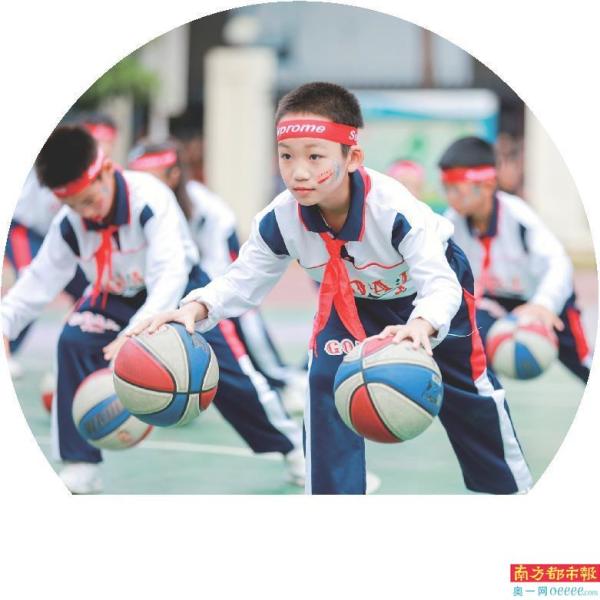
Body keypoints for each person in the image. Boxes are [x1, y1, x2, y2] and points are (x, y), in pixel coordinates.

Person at [130, 82, 533, 495]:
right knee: (325, 384)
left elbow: (440, 283)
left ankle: (511, 492)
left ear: (352, 157)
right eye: (286, 156)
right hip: (351, 299)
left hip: (426, 299)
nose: (298, 171)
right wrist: (196, 307)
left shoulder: (393, 209)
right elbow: (243, 279)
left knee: (470, 396)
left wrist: (421, 325)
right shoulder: (280, 219)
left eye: (315, 156)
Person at [2, 125, 304, 493]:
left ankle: (294, 449)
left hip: (180, 295)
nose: (85, 212)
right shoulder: (71, 223)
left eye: (90, 200)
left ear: (107, 171)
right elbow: (37, 281)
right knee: (73, 341)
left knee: (231, 378)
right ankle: (81, 464)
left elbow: (169, 272)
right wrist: (5, 325)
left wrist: (136, 331)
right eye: (74, 205)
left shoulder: (149, 197)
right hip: (113, 296)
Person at [126, 140, 308, 413]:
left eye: (151, 178)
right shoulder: (137, 207)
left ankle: (282, 381)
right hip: (169, 277)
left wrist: (201, 300)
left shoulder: (207, 209)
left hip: (213, 271)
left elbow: (223, 273)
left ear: (174, 175)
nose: (142, 186)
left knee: (242, 321)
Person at [439, 136, 591, 382]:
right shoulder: (451, 224)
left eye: (456, 188)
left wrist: (544, 304)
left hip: (542, 299)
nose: (450, 196)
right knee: (471, 352)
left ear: (488, 185)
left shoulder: (518, 216)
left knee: (584, 363)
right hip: (494, 300)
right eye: (446, 188)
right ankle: (490, 397)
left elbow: (558, 263)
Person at [4, 113, 118, 376]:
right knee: (31, 285)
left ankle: (94, 358)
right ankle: (8, 348)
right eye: (99, 139)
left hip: (63, 238)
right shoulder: (60, 159)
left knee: (90, 290)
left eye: (109, 141)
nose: (105, 145)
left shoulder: (103, 176)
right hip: (26, 229)